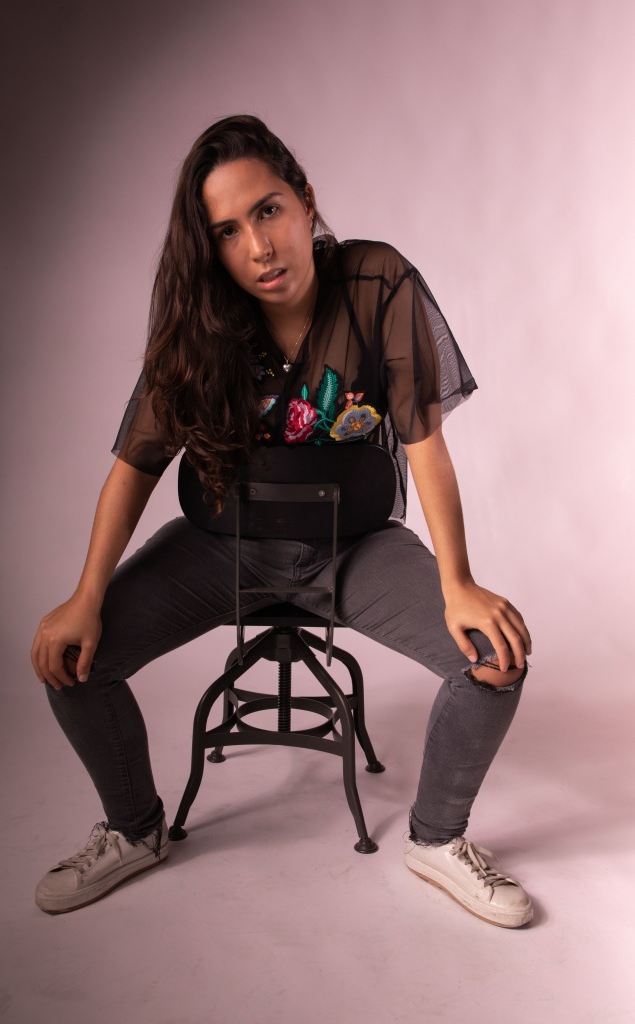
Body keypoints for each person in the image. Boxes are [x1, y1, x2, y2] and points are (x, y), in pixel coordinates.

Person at [31, 114, 533, 927]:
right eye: (227, 232)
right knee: (71, 660)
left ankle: (438, 840)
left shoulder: (376, 282)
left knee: (494, 656)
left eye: (267, 211)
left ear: (304, 200)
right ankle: (134, 828)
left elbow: (426, 447)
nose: (259, 247)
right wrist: (86, 596)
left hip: (354, 550)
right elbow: (135, 466)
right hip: (220, 549)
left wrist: (459, 583)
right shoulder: (201, 319)